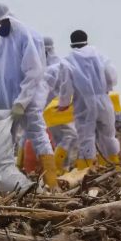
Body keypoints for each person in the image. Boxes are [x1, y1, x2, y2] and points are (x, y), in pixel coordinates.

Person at [0, 3, 57, 189]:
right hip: (6, 99)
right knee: (5, 140)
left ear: (6, 19)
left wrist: (22, 102)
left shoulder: (27, 36)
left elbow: (34, 71)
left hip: (30, 97)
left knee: (37, 134)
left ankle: (52, 184)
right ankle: (9, 184)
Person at [58, 30, 120, 169]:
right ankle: (114, 167)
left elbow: (66, 86)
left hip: (83, 104)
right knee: (108, 135)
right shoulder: (100, 55)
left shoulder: (67, 61)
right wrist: (107, 88)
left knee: (86, 138)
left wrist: (64, 103)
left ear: (71, 43)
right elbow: (111, 75)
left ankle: (86, 170)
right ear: (86, 40)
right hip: (103, 100)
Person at [43, 36, 78, 172]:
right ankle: (59, 167)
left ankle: (63, 168)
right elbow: (67, 87)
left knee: (59, 139)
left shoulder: (43, 68)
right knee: (70, 136)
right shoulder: (57, 66)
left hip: (49, 111)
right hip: (58, 109)